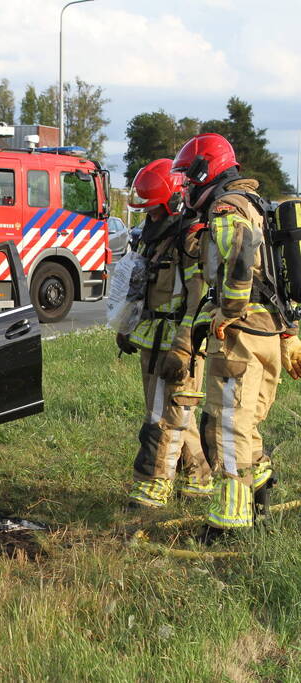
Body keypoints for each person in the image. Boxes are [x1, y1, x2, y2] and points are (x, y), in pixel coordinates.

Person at [171, 133, 295, 539]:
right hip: (269, 331)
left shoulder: (226, 207)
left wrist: (227, 311)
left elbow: (241, 259)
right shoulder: (255, 205)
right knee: (247, 423)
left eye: (189, 178)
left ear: (206, 171)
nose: (187, 186)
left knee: (225, 428)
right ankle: (260, 493)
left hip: (239, 334)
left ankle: (229, 522)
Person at [119, 158, 212, 509]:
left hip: (178, 344)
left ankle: (152, 487)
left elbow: (198, 298)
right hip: (152, 341)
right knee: (174, 414)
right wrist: (126, 328)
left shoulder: (189, 242)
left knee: (166, 416)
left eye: (155, 211)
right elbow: (139, 286)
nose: (150, 218)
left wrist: (185, 347)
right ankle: (200, 479)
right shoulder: (152, 238)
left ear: (173, 203)